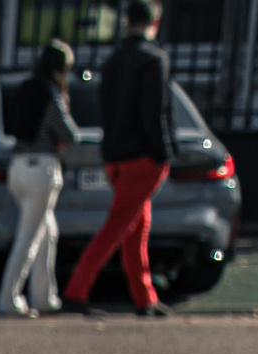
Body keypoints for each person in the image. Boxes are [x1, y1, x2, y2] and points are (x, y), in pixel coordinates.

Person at [65, 0, 178, 316]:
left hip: (114, 155)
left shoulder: (113, 61)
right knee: (119, 225)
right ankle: (77, 291)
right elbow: (155, 111)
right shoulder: (154, 59)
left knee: (136, 224)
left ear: (127, 22)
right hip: (142, 156)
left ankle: (145, 297)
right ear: (154, 23)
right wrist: (163, 153)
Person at [0, 40, 79, 318]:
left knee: (47, 233)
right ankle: (8, 298)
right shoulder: (50, 94)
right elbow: (68, 134)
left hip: (17, 167)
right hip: (40, 169)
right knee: (29, 238)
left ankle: (44, 296)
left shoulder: (26, 88)